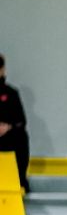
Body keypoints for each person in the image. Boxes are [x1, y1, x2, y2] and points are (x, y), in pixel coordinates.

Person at [0, 53, 28, 191]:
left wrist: (8, 127)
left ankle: (20, 180)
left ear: (2, 70)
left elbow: (21, 121)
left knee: (21, 136)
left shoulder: (11, 93)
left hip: (7, 136)